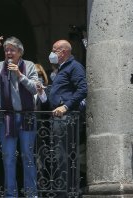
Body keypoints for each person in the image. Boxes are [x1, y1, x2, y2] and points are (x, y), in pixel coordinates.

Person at [0, 36, 38, 197]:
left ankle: (31, 193)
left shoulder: (30, 66)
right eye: (6, 50)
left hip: (27, 117)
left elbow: (35, 89)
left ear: (20, 52)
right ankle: (11, 194)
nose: (8, 52)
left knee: (28, 156)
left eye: (12, 49)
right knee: (8, 158)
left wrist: (20, 74)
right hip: (7, 118)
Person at [47, 39, 87, 197]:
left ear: (63, 52)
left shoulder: (74, 66)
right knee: (60, 155)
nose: (52, 53)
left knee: (63, 156)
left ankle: (66, 192)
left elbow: (83, 89)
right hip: (59, 118)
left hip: (66, 117)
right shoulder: (62, 68)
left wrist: (66, 106)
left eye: (54, 50)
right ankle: (65, 190)